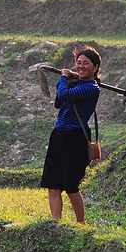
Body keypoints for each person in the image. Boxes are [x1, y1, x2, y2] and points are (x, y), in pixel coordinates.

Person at [40, 46, 101, 224]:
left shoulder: (92, 88)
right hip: (59, 134)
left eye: (86, 63)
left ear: (95, 67)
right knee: (53, 184)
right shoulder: (76, 84)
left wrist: (64, 77)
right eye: (78, 63)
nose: (81, 66)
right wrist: (68, 81)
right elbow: (59, 103)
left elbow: (64, 95)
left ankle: (81, 223)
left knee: (70, 185)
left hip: (76, 138)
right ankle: (55, 223)